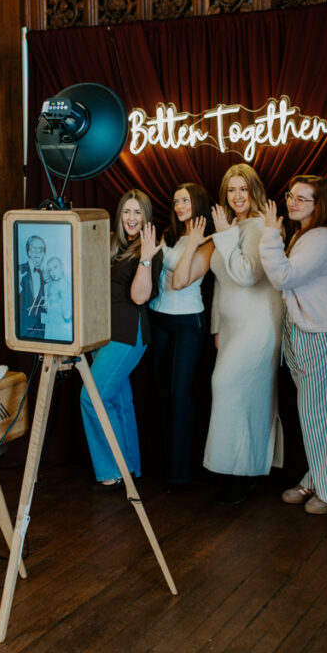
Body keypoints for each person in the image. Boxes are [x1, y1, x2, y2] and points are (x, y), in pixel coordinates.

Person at [172, 164, 283, 504]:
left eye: (243, 189)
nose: (237, 196)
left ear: (254, 191)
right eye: (231, 190)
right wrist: (217, 327)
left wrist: (225, 236)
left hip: (258, 325)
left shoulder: (261, 226)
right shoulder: (230, 228)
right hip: (232, 328)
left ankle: (245, 471)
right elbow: (221, 281)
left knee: (235, 390)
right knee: (236, 395)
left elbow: (247, 274)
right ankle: (235, 469)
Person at [259, 175, 327, 515]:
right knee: (320, 413)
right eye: (291, 195)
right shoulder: (305, 235)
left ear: (319, 205)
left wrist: (270, 234)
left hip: (324, 333)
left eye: (302, 198)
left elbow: (283, 277)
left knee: (321, 415)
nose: (293, 202)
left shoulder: (322, 237)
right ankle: (317, 478)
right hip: (309, 331)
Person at [81, 190, 162, 487]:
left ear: (146, 216)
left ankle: (111, 471)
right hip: (103, 332)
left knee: (92, 397)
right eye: (127, 211)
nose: (131, 218)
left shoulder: (150, 249)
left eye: (137, 212)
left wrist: (146, 259)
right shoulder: (113, 243)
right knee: (117, 400)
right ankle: (128, 469)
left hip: (128, 334)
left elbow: (139, 297)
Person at [149, 182, 212, 490]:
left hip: (187, 321)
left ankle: (180, 473)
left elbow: (180, 282)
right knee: (161, 392)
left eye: (185, 200)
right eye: (176, 201)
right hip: (158, 317)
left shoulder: (208, 241)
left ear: (197, 203)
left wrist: (193, 243)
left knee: (180, 395)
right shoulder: (169, 234)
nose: (179, 206)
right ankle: (163, 464)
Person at [18, 234, 47, 339]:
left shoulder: (46, 274)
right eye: (34, 248)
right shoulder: (18, 270)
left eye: (41, 249)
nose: (38, 252)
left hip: (40, 332)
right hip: (21, 331)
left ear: (44, 254)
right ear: (29, 252)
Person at [43, 256, 72, 341]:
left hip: (64, 331)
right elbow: (47, 314)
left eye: (55, 267)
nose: (52, 272)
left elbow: (67, 315)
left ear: (62, 267)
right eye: (50, 270)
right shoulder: (47, 287)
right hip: (50, 330)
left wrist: (63, 293)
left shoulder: (69, 287)